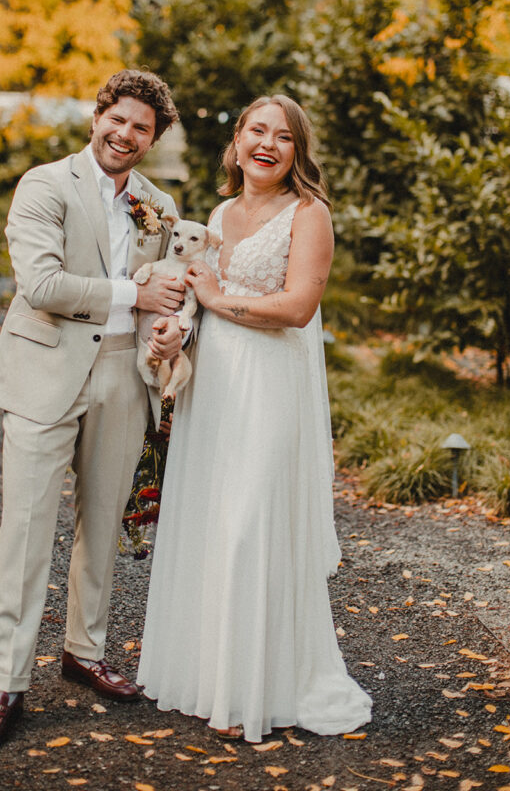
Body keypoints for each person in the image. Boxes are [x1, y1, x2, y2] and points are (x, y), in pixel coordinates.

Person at [137, 94, 373, 742]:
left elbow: (297, 308)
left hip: (270, 385)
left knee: (250, 523)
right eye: (256, 131)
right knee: (211, 522)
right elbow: (198, 303)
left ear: (297, 151)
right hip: (213, 386)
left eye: (284, 136)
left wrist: (216, 295)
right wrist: (174, 330)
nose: (268, 143)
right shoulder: (217, 213)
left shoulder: (309, 214)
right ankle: (212, 676)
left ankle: (264, 682)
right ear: (236, 142)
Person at [0, 69, 186, 752]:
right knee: (26, 529)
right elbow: (42, 285)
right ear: (98, 116)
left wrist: (170, 327)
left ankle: (84, 651)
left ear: (153, 138)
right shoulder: (43, 184)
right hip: (44, 374)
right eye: (117, 119)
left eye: (140, 128)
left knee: (101, 523)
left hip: (125, 376)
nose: (124, 134)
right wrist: (135, 295)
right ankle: (6, 682)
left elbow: (169, 292)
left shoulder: (159, 205)